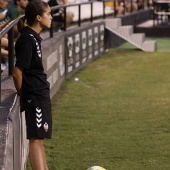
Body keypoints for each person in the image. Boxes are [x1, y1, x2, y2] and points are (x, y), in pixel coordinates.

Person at [12, 0, 52, 169]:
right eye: (48, 14)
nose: (51, 17)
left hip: (40, 95)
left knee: (39, 139)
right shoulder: (27, 39)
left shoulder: (33, 37)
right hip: (34, 97)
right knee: (35, 140)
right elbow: (17, 72)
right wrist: (24, 94)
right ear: (38, 17)